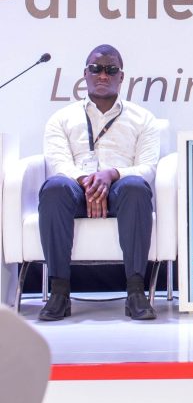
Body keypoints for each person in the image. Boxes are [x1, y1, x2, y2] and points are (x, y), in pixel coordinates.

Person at [38, 44, 161, 321]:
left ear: (121, 76)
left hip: (120, 189)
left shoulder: (143, 119)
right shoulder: (62, 118)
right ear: (85, 74)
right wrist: (88, 182)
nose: (103, 75)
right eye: (96, 69)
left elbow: (147, 168)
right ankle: (59, 292)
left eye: (110, 70)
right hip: (75, 187)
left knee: (135, 186)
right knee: (55, 187)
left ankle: (136, 293)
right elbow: (58, 163)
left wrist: (112, 175)